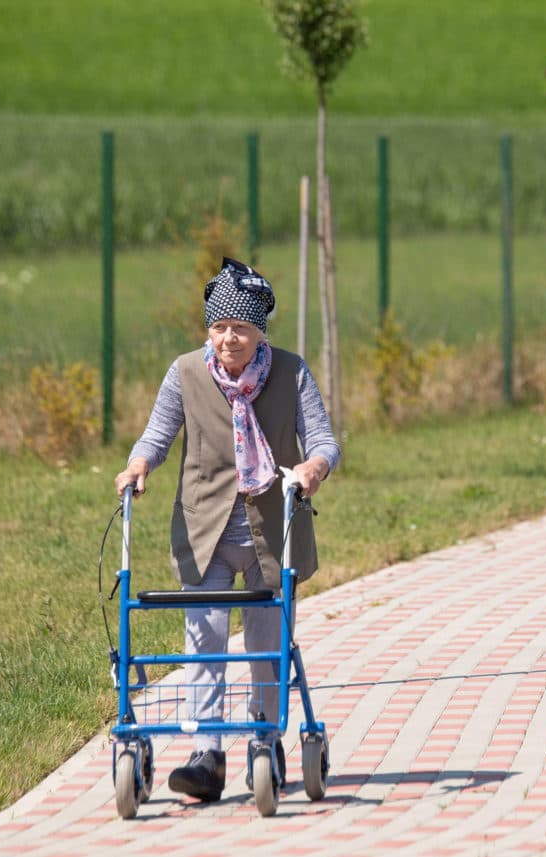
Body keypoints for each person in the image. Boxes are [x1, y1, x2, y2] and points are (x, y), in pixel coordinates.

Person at [113, 257, 340, 803]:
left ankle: (265, 739)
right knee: (205, 641)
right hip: (205, 530)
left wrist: (314, 466)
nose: (228, 339)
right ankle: (206, 754)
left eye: (239, 327)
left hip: (274, 531)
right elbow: (156, 436)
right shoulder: (185, 373)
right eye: (219, 327)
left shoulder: (292, 372)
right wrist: (138, 465)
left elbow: (324, 441)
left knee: (266, 645)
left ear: (259, 330)